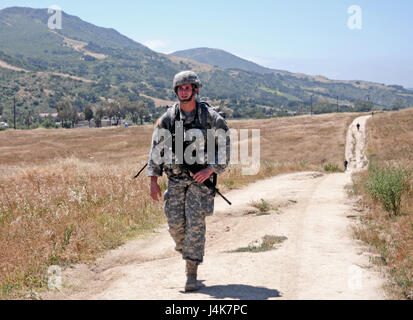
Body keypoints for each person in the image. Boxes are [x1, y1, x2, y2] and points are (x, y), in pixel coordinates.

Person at [146, 71, 230, 292]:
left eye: (187, 87)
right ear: (176, 92)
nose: (184, 91)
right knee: (175, 226)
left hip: (199, 183)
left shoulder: (210, 118)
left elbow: (224, 149)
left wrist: (210, 169)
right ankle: (188, 253)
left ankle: (191, 272)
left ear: (196, 89)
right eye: (180, 88)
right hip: (175, 181)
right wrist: (153, 180)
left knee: (195, 225)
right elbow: (156, 150)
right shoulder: (168, 119)